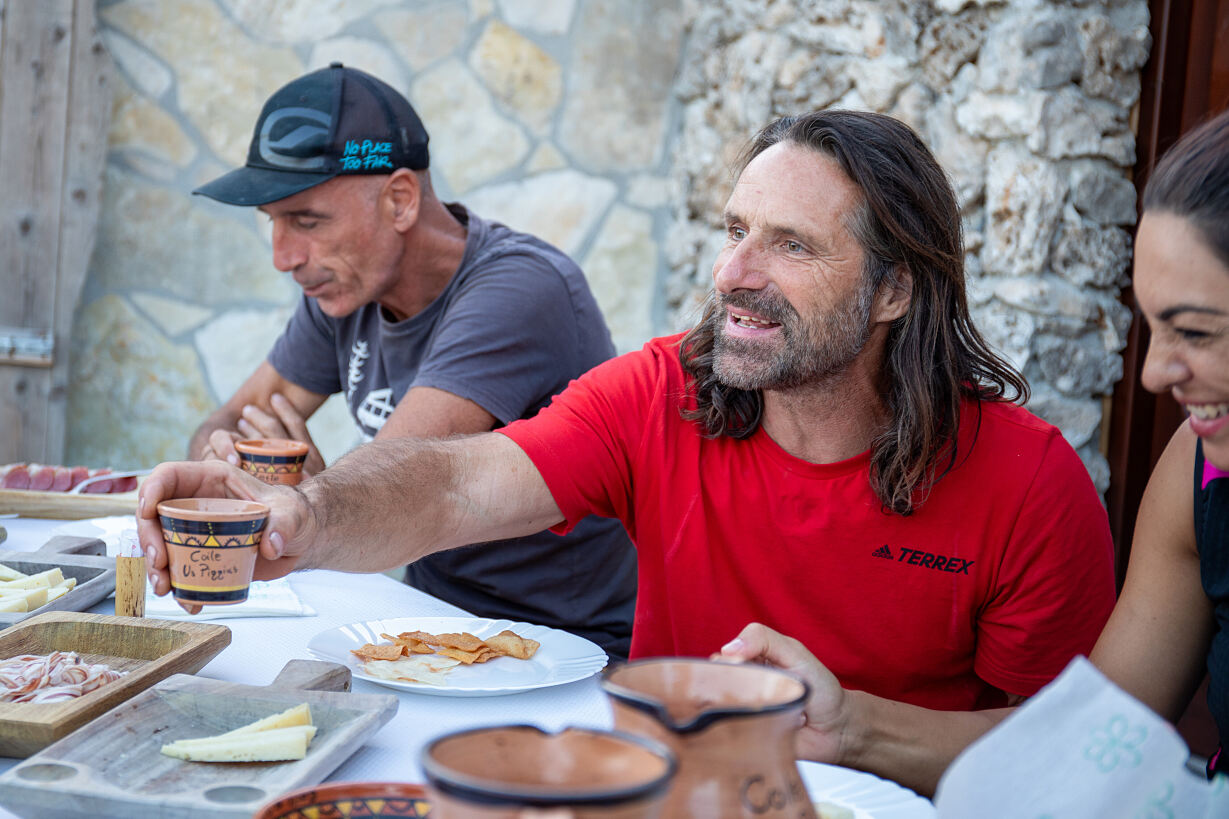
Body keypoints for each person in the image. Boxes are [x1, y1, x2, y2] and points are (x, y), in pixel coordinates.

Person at [138, 110, 1116, 717]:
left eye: (789, 246)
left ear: (895, 291)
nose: (732, 273)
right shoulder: (662, 393)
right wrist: (305, 517)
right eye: (734, 233)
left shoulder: (1026, 483)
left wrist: (854, 729)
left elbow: (1061, 764)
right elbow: (452, 480)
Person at [718, 109, 1229, 795]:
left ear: (894, 290)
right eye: (1150, 327)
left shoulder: (1025, 472)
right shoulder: (1195, 471)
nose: (1152, 374)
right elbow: (1089, 751)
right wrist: (849, 726)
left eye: (1194, 331)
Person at [185, 63, 637, 657]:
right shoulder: (345, 289)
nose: (283, 257)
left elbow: (401, 486)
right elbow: (227, 422)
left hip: (560, 647)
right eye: (273, 223)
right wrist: (224, 460)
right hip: (429, 623)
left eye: (306, 220)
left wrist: (311, 496)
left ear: (399, 200)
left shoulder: (522, 289)